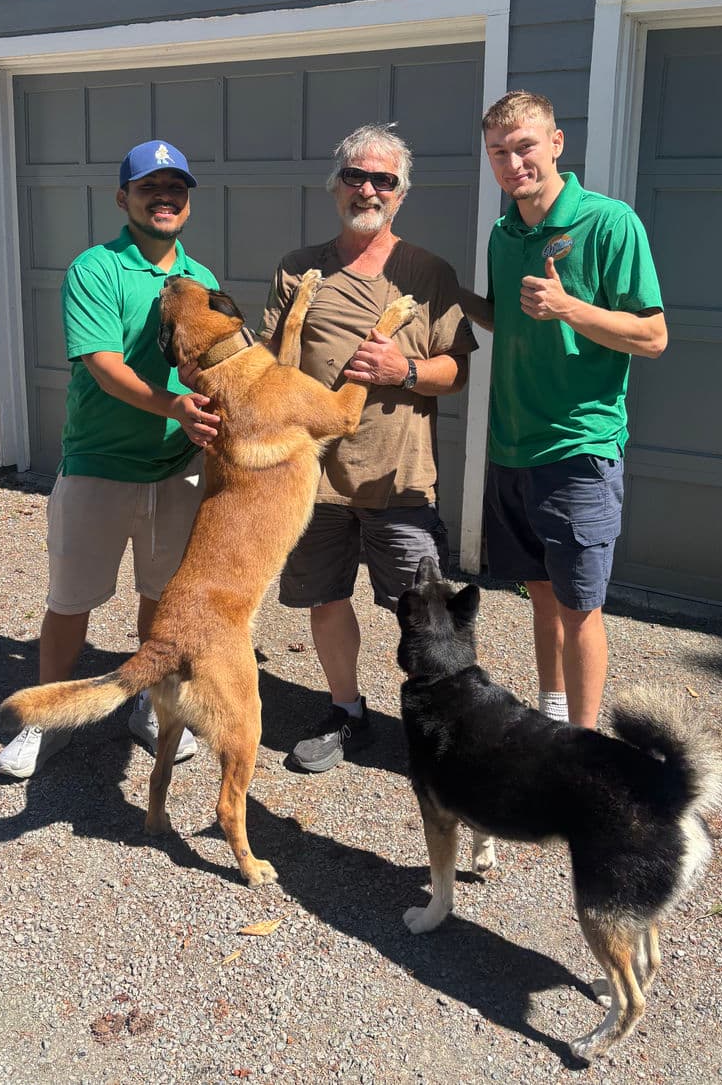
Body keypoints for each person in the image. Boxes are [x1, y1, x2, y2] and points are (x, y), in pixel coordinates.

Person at [0, 140, 221, 778]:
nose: (164, 197)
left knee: (161, 597)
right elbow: (102, 364)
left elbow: (212, 367)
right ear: (124, 198)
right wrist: (176, 406)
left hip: (176, 470)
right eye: (150, 187)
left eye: (175, 187)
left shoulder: (202, 282)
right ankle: (44, 719)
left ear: (187, 201)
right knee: (71, 600)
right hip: (97, 464)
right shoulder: (95, 269)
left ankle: (149, 701)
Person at [259, 123, 477, 773]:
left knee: (424, 613)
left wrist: (403, 370)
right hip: (314, 477)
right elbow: (272, 363)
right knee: (326, 599)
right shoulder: (298, 269)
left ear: (402, 194)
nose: (369, 188)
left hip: (400, 477)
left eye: (385, 179)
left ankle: (445, 727)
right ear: (336, 185)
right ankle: (347, 711)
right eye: (357, 175)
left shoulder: (428, 273)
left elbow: (456, 370)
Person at [460, 91, 667, 729]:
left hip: (578, 449)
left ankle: (582, 748)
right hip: (510, 445)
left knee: (580, 607)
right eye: (499, 152)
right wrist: (454, 296)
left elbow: (653, 336)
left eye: (525, 145)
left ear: (556, 143)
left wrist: (570, 306)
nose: (513, 162)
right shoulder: (504, 233)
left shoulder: (609, 223)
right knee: (540, 595)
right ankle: (551, 715)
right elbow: (510, 318)